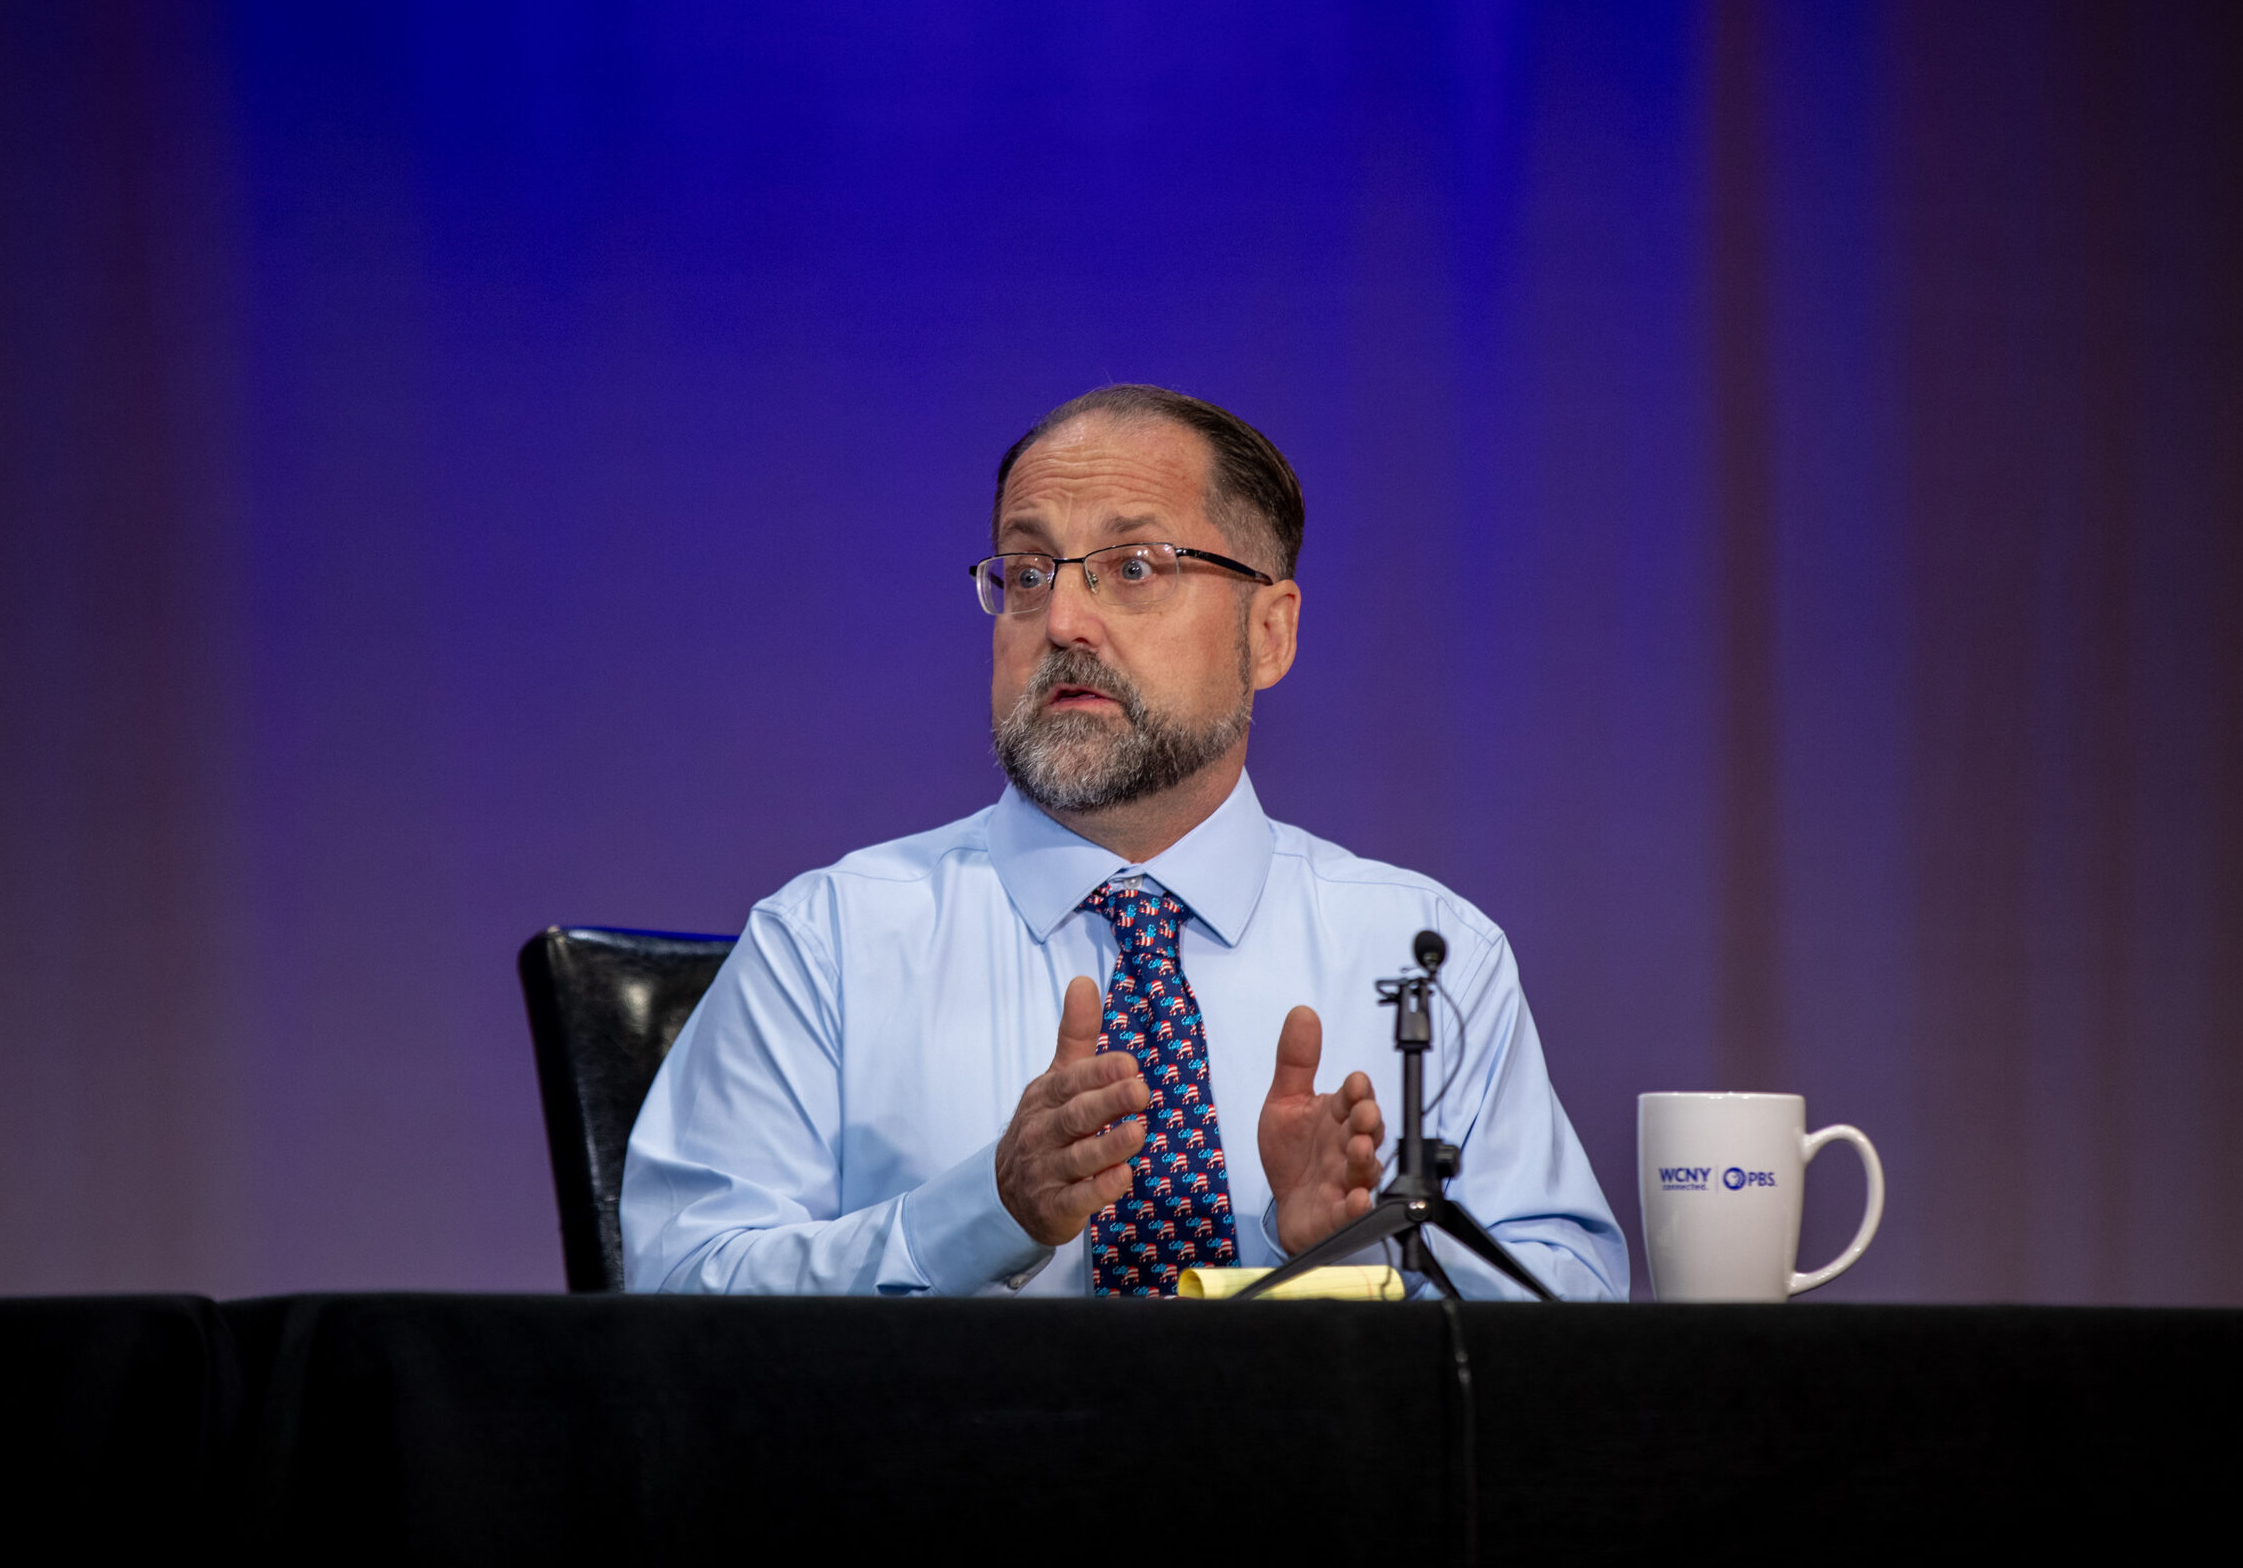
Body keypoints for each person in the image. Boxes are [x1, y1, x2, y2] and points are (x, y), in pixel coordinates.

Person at [620, 384, 1626, 1298]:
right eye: (1024, 571)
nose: (1062, 618)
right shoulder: (829, 941)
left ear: (1268, 632)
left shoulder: (1422, 952)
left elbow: (1570, 1297)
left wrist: (1341, 1251)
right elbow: (674, 1287)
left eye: (1133, 567)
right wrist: (983, 1212)